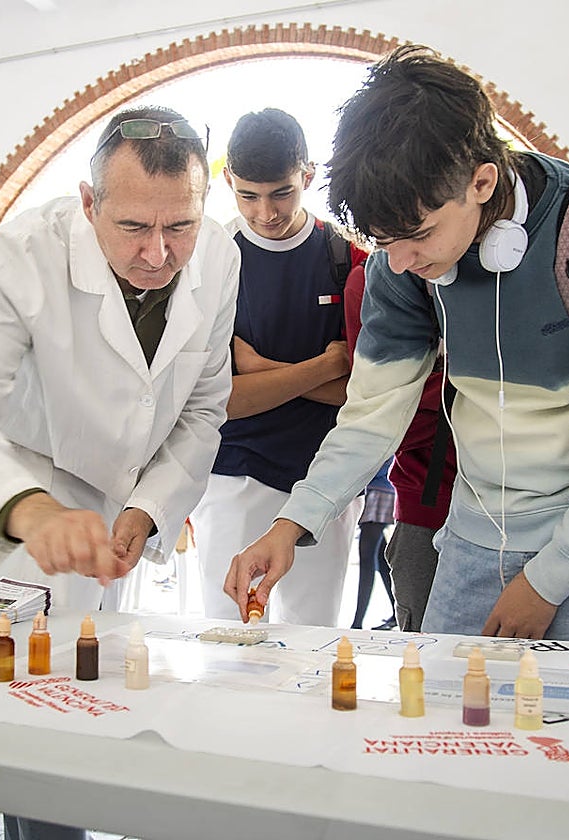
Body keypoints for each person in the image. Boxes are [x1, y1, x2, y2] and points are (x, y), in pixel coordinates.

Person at [226, 45, 569, 644]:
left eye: (418, 235)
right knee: (446, 725)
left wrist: (548, 580)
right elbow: (371, 416)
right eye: (383, 239)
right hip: (471, 537)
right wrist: (292, 524)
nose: (399, 261)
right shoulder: (401, 264)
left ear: (481, 181)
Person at [0, 105, 239, 840]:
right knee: (32, 740)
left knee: (104, 727)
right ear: (89, 204)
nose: (159, 253)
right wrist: (27, 509)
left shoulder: (219, 257)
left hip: (123, 514)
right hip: (28, 498)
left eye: (178, 225)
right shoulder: (25, 251)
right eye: (132, 228)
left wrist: (149, 509)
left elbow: (204, 407)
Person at [192, 108, 363, 626]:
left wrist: (260, 367)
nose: (264, 212)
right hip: (232, 474)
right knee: (227, 638)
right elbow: (224, 397)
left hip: (321, 481)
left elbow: (358, 393)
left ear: (307, 176)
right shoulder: (209, 261)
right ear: (227, 182)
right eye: (247, 196)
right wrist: (324, 364)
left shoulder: (347, 257)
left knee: (311, 642)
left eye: (281, 193)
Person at [343, 262, 457, 632]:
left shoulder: (496, 268)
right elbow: (383, 415)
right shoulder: (372, 280)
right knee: (428, 666)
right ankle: (360, 621)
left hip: (532, 505)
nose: (405, 253)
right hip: (427, 507)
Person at [351, 458, 396, 630]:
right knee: (380, 558)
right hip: (375, 490)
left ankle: (357, 624)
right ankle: (395, 612)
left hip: (379, 491)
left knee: (367, 558)